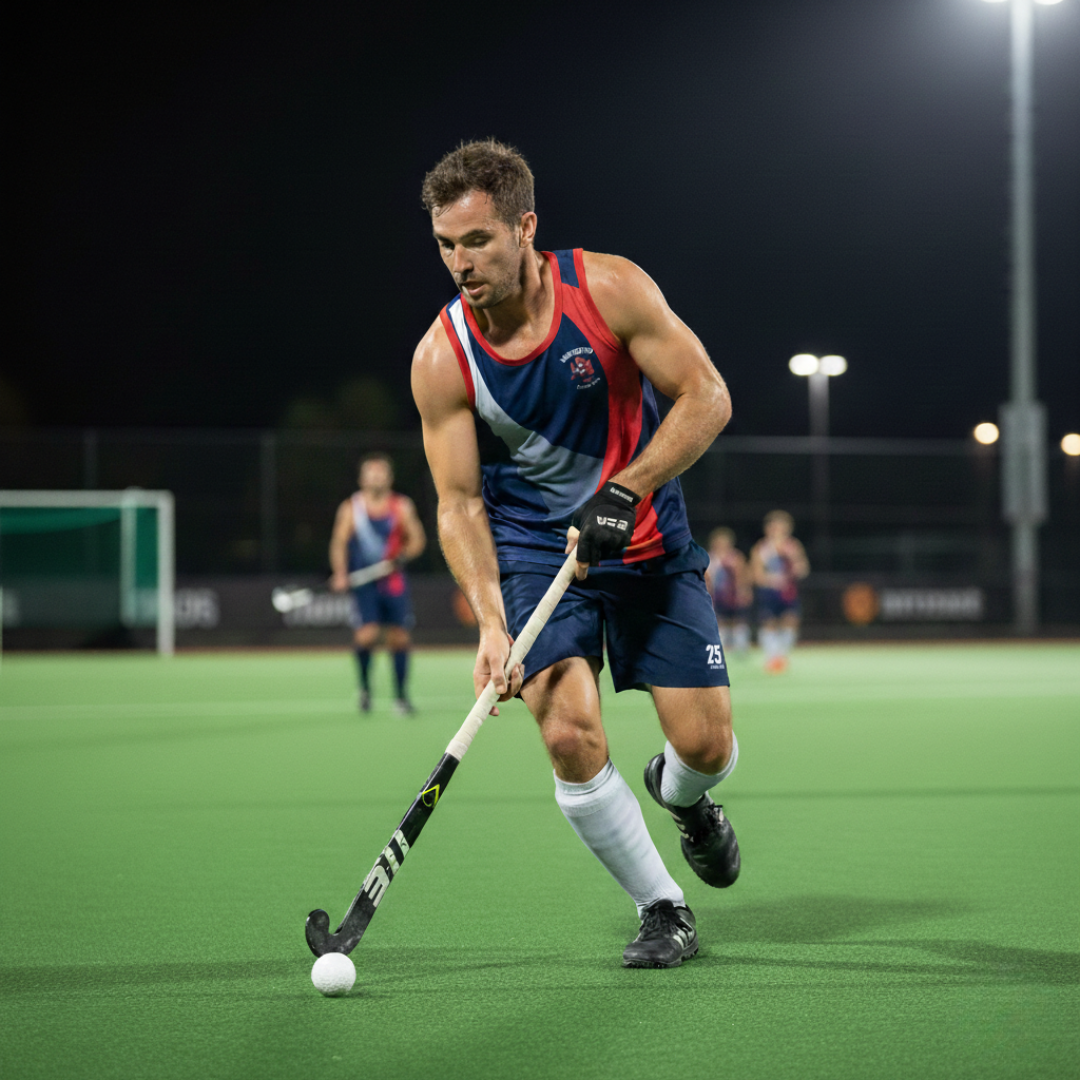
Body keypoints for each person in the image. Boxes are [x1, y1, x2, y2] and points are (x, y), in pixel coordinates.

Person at [411, 139, 740, 968]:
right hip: (531, 551)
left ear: (525, 228)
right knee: (566, 731)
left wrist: (625, 492)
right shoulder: (442, 357)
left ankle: (684, 797)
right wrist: (490, 623)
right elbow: (455, 503)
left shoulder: (608, 288)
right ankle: (662, 906)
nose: (462, 262)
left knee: (704, 745)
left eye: (478, 240)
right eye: (447, 245)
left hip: (647, 540)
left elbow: (707, 396)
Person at [330, 453, 426, 714]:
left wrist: (402, 557)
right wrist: (340, 573)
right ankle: (364, 689)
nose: (376, 477)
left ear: (389, 477)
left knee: (400, 638)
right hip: (364, 583)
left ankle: (401, 697)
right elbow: (339, 543)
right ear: (362, 479)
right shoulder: (351, 508)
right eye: (370, 472)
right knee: (367, 636)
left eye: (380, 472)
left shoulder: (402, 507)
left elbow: (417, 540)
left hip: (393, 582)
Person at [750, 509, 810, 674]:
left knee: (791, 622)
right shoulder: (761, 548)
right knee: (769, 623)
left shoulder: (793, 546)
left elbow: (803, 569)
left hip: (788, 592)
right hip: (769, 593)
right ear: (768, 528)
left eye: (782, 527)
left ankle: (781, 657)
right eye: (775, 527)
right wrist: (772, 580)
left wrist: (794, 565)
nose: (778, 530)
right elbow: (756, 575)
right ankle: (771, 658)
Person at [705, 527, 752, 655]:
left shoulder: (736, 557)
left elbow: (744, 576)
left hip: (734, 594)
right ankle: (722, 648)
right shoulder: (709, 558)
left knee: (739, 620)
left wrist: (745, 591)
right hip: (717, 595)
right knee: (720, 621)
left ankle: (741, 648)